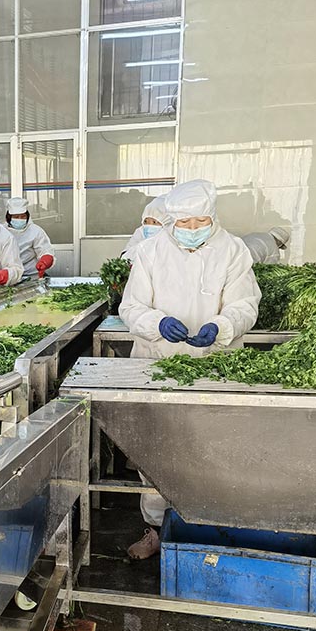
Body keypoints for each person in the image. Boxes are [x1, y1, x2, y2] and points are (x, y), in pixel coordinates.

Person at [119, 179, 260, 559]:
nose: (193, 229)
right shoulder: (150, 251)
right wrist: (157, 323)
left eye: (201, 222)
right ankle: (155, 530)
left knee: (210, 452)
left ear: (212, 217)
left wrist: (222, 327)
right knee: (154, 452)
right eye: (184, 223)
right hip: (156, 363)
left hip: (214, 366)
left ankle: (207, 530)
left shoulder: (233, 250)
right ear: (172, 221)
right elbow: (131, 307)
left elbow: (245, 304)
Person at [5, 197, 54, 278]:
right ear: (9, 217)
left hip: (32, 275)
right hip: (8, 275)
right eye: (16, 217)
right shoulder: (1, 232)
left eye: (23, 216)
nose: (20, 219)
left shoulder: (35, 231)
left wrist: (45, 260)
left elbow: (45, 250)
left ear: (27, 216)